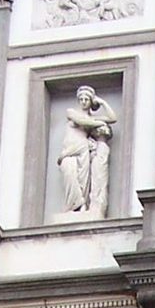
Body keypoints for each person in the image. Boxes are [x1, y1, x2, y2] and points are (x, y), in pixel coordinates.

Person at [57, 85, 117, 217]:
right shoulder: (71, 112)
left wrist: (102, 102)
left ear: (91, 101)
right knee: (69, 174)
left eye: (87, 99)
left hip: (83, 150)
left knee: (83, 181)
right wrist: (100, 123)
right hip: (70, 151)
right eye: (81, 99)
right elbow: (82, 121)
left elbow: (113, 118)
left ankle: (82, 207)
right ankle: (71, 206)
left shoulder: (93, 119)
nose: (83, 102)